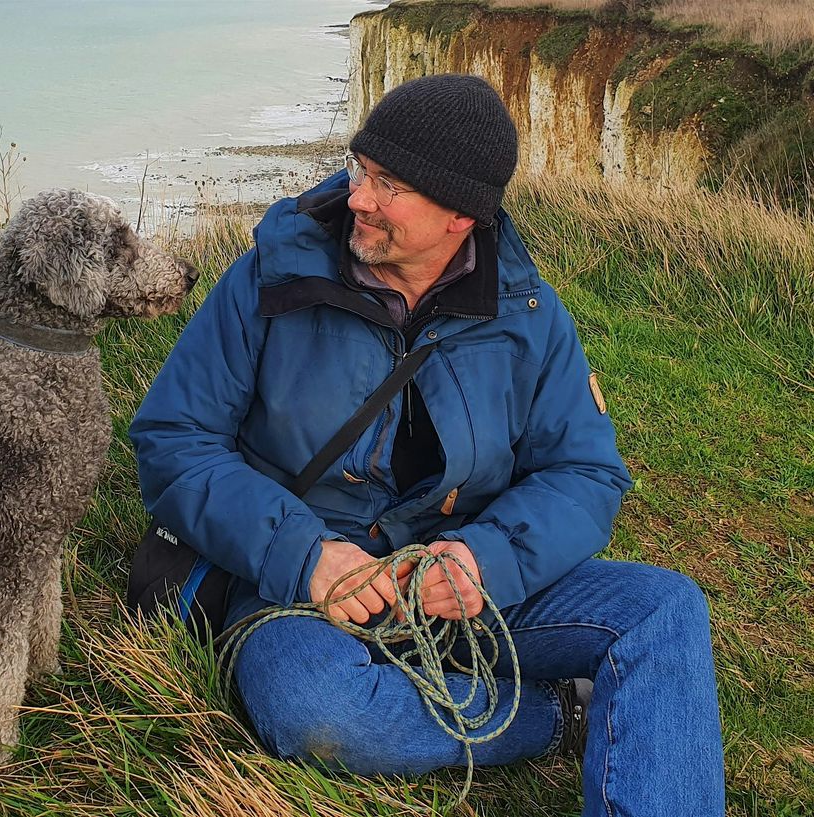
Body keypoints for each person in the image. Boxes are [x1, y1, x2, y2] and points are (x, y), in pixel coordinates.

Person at [128, 74, 724, 814]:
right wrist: (305, 556)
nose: (358, 198)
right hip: (300, 584)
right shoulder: (270, 277)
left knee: (664, 609)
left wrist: (486, 559)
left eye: (391, 185)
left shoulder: (525, 310)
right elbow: (173, 438)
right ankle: (555, 713)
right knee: (317, 709)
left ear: (461, 217)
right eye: (361, 169)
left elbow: (586, 470)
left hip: (463, 587)